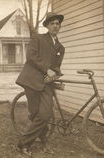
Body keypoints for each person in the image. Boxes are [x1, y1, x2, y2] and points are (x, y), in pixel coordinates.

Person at [15, 12, 65, 156]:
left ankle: (24, 142)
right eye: (52, 23)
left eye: (57, 23)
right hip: (31, 80)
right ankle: (39, 142)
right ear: (47, 26)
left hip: (46, 84)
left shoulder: (61, 48)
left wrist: (55, 74)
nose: (55, 26)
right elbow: (31, 56)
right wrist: (47, 70)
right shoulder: (37, 38)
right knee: (36, 114)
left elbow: (56, 66)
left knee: (45, 114)